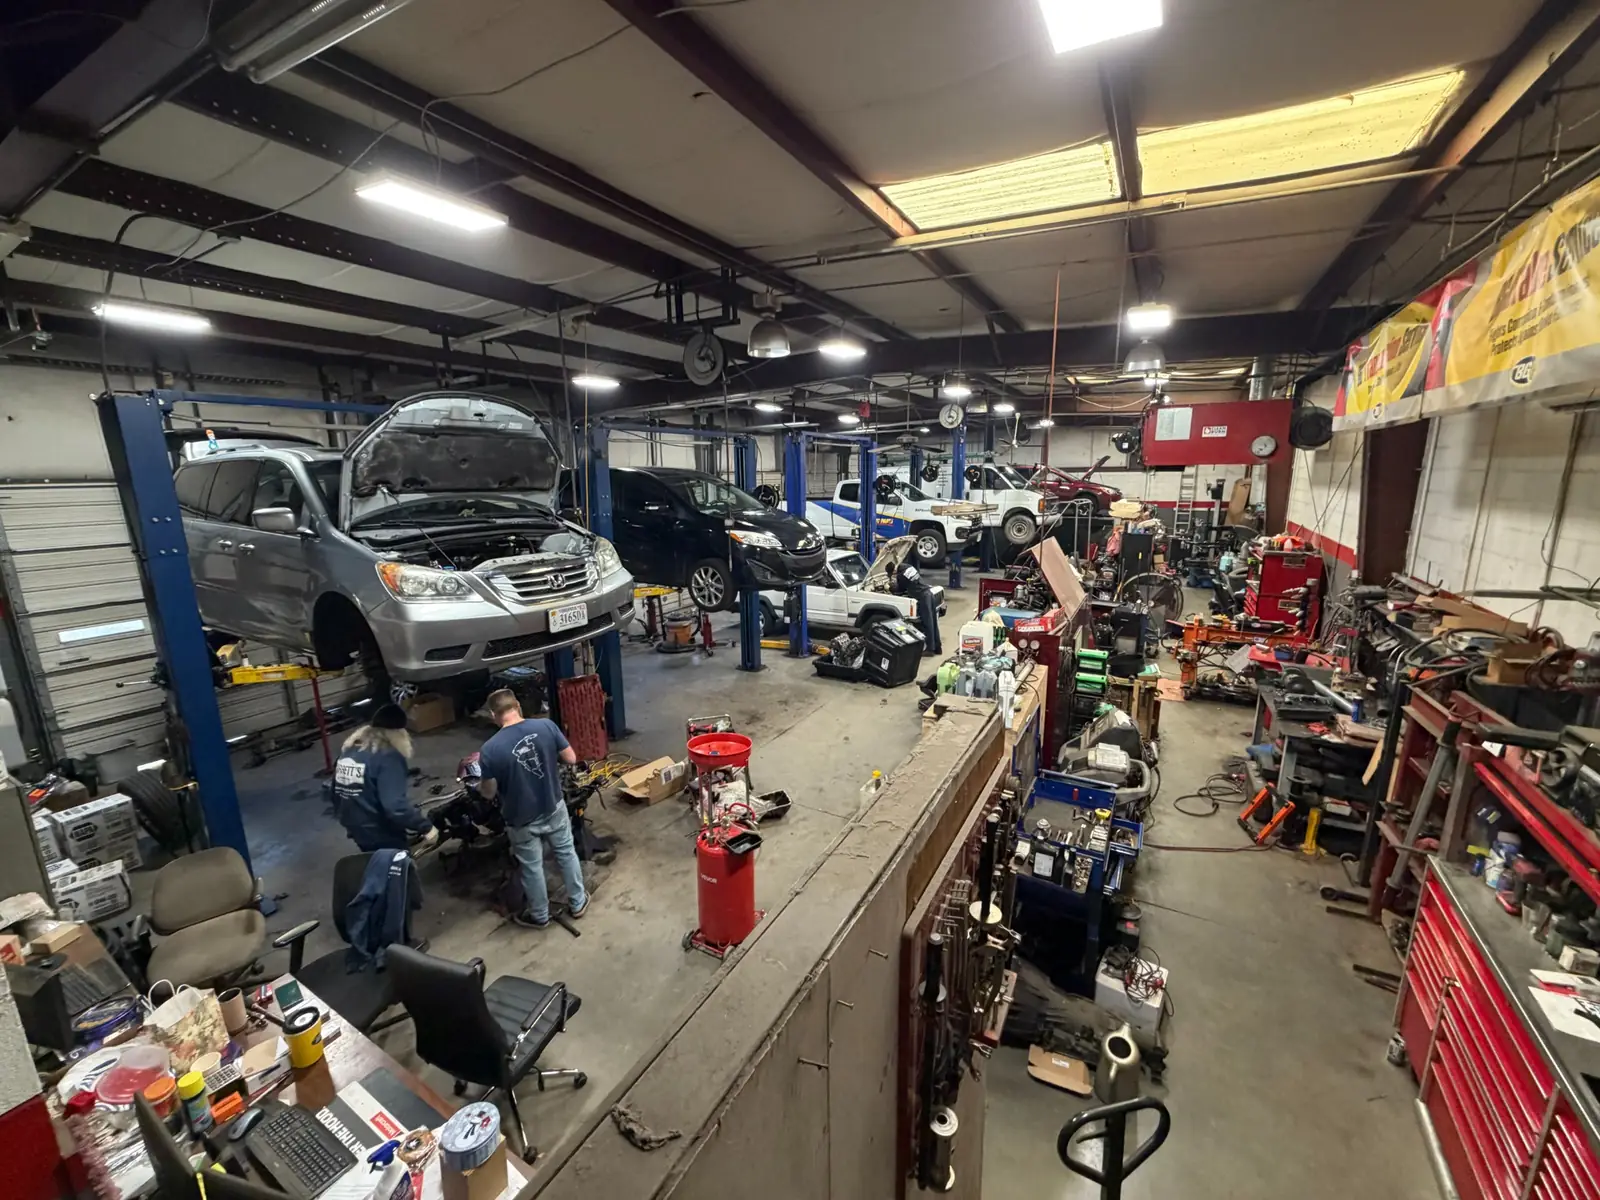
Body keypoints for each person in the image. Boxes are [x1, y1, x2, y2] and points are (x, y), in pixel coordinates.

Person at [478, 689, 587, 928]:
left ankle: (539, 915)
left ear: (493, 715)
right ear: (517, 705)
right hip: (552, 805)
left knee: (531, 866)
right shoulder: (546, 726)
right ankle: (578, 903)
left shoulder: (489, 750)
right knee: (566, 852)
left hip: (520, 819)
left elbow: (488, 792)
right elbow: (570, 758)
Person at [331, 703, 439, 852]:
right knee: (394, 868)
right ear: (398, 733)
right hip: (379, 831)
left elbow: (334, 791)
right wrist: (426, 827)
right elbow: (395, 806)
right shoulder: (388, 757)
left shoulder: (350, 750)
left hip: (353, 825)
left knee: (374, 861)